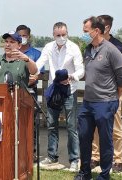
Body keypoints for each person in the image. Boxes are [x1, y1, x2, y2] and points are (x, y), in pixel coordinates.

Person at [75, 16, 122, 180]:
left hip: (105, 103)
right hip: (87, 103)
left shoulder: (112, 50)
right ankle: (85, 172)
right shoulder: (88, 49)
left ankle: (104, 175)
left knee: (106, 140)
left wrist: (114, 98)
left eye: (86, 31)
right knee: (84, 137)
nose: (83, 34)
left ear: (96, 30)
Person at [36, 22, 84, 172]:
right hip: (53, 90)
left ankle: (74, 159)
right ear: (53, 35)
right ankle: (52, 156)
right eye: (58, 35)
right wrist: (33, 70)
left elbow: (81, 69)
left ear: (67, 33)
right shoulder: (48, 47)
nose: (61, 37)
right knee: (51, 124)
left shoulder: (74, 48)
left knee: (72, 127)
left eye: (64, 34)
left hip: (69, 89)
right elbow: (40, 63)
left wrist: (72, 76)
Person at [90, 15, 122, 173]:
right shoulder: (93, 45)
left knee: (116, 128)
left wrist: (118, 94)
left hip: (114, 93)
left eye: (97, 27)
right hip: (96, 94)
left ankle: (118, 159)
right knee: (96, 127)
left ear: (107, 28)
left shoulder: (119, 47)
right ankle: (95, 156)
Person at [16, 24, 42, 161]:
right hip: (15, 92)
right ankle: (16, 150)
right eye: (19, 35)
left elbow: (36, 74)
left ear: (29, 36)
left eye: (24, 35)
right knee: (15, 122)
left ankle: (32, 152)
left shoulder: (36, 53)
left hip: (30, 92)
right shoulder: (12, 53)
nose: (22, 38)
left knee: (31, 123)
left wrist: (29, 78)